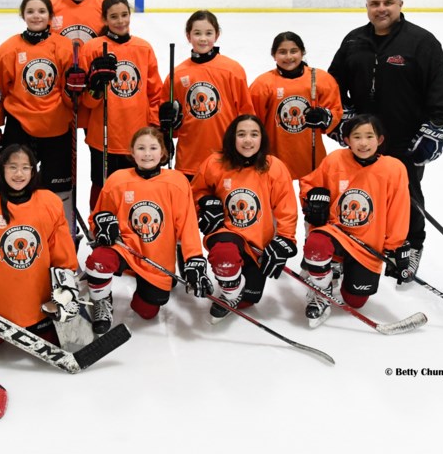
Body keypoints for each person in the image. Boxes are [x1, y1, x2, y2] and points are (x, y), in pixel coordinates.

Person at [328, 0, 443, 280]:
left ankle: (410, 247)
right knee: (361, 191)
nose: (381, 8)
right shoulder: (354, 41)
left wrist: (436, 127)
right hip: (363, 140)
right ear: (367, 6)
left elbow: (437, 90)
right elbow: (333, 85)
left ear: (400, 4)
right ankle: (360, 242)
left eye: (387, 3)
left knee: (406, 196)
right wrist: (341, 119)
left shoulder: (422, 42)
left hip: (404, 138)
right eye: (375, 3)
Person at [0, 144, 80, 352]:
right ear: (1, 169)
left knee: (51, 340)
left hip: (38, 304)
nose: (19, 174)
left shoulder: (49, 202)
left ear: (33, 170)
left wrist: (66, 286)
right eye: (12, 167)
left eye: (25, 168)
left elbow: (62, 253)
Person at [86, 127, 210, 334]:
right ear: (132, 153)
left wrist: (195, 259)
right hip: (125, 248)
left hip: (157, 260)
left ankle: (146, 292)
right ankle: (101, 302)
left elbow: (187, 226)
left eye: (153, 148)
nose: (147, 153)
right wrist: (101, 225)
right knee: (98, 260)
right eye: (141, 148)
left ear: (163, 153)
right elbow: (96, 218)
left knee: (147, 310)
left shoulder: (176, 182)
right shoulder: (118, 179)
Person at [298, 114, 412, 327]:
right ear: (347, 140)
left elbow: (399, 210)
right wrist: (313, 198)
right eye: (356, 136)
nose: (363, 142)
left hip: (367, 243)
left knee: (355, 301)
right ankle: (322, 289)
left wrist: (395, 247)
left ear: (379, 140)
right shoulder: (335, 160)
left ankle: (336, 268)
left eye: (369, 136)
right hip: (335, 232)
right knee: (316, 245)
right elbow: (309, 184)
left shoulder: (394, 169)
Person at [0, 0, 77, 230]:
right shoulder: (8, 50)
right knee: (16, 184)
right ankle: (16, 231)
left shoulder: (63, 47)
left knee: (60, 190)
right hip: (20, 128)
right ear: (23, 15)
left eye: (42, 11)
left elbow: (71, 95)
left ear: (50, 16)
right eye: (31, 11)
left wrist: (77, 90)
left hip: (57, 128)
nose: (36, 16)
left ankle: (62, 238)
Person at [190, 115, 298, 322]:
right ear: (232, 138)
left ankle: (235, 285)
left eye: (254, 134)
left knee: (249, 299)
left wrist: (284, 238)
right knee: (225, 255)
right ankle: (229, 291)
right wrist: (204, 203)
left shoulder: (273, 166)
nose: (248, 140)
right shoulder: (215, 163)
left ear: (262, 139)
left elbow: (286, 207)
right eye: (241, 134)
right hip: (226, 233)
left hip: (257, 244)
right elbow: (195, 192)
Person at [78, 0, 163, 208]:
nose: (121, 21)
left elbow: (155, 93)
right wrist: (96, 87)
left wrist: (155, 127)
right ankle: (98, 227)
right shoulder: (92, 49)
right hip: (102, 135)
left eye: (124, 15)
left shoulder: (143, 48)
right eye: (114, 17)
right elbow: (86, 102)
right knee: (101, 184)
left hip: (137, 136)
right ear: (105, 20)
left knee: (135, 189)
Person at [161, 10, 254, 180]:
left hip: (226, 158)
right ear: (188, 36)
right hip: (189, 159)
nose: (203, 38)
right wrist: (166, 125)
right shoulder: (177, 74)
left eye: (208, 33)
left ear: (217, 35)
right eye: (197, 33)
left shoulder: (232, 70)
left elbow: (246, 114)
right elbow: (169, 123)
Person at [249, 31, 343, 179]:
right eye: (282, 52)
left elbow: (336, 111)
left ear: (302, 52)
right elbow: (252, 120)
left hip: (310, 157)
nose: (289, 57)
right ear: (273, 55)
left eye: (294, 51)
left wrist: (325, 116)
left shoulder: (320, 79)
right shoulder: (263, 84)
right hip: (274, 158)